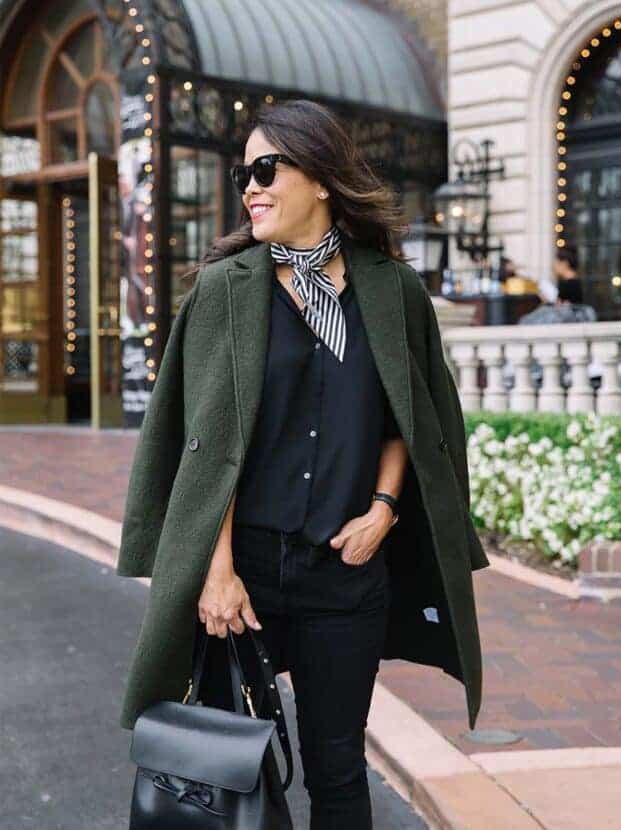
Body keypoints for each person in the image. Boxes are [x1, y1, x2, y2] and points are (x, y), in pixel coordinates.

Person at [115, 99, 489, 830]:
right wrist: (214, 571)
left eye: (265, 169)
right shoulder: (225, 290)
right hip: (242, 573)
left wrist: (382, 512)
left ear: (320, 177)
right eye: (241, 174)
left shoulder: (391, 289)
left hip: (343, 575)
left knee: (338, 769)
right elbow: (207, 440)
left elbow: (404, 421)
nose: (249, 188)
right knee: (230, 769)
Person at [527, 245, 597, 322]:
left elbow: (563, 305)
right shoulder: (573, 281)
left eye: (557, 264)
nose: (554, 267)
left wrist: (547, 301)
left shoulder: (569, 283)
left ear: (564, 264)